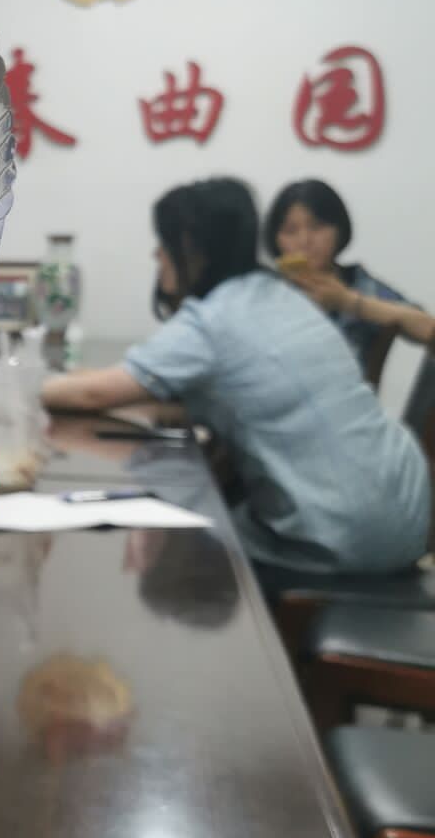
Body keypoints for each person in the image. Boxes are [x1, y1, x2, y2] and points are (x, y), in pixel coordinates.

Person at [42, 178, 430, 577]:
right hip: (407, 509)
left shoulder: (214, 319)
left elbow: (89, 395)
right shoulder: (280, 296)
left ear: (191, 248)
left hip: (347, 533)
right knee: (204, 499)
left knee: (182, 537)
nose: (156, 254)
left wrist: (17, 384)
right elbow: (141, 387)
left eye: (164, 242)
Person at [265, 179, 426, 365]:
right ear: (275, 239)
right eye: (290, 231)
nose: (304, 240)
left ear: (340, 230)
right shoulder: (267, 291)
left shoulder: (358, 284)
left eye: (317, 226)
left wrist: (348, 301)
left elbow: (428, 329)